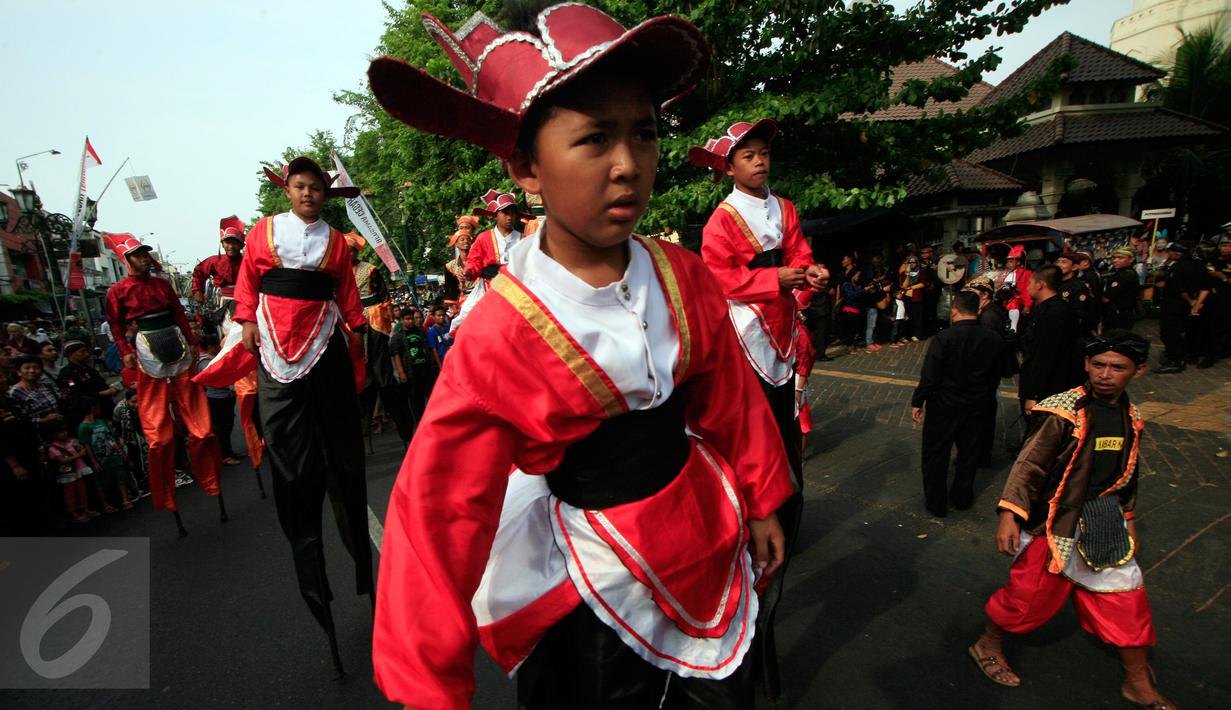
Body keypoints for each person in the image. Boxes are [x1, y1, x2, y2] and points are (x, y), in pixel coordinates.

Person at [366, 5, 792, 707]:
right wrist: (429, 686)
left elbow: (730, 401)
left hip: (704, 533)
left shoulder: (681, 275)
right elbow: (438, 511)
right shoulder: (498, 333)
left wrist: (761, 500)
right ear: (525, 167)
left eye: (644, 134)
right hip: (589, 583)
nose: (627, 166)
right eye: (593, 139)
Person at [197, 156, 371, 675]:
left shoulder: (337, 242)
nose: (308, 194)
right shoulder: (263, 232)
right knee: (292, 465)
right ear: (288, 190)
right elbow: (248, 280)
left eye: (317, 188)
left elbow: (346, 291)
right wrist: (246, 319)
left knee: (342, 456)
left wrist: (358, 326)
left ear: (325, 193)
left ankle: (360, 557)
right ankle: (309, 559)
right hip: (273, 342)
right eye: (300, 187)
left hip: (324, 336)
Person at [689, 115, 825, 699]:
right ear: (729, 167)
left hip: (783, 326)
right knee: (745, 429)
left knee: (786, 425)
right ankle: (742, 510)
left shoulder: (786, 208)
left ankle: (781, 505)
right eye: (749, 156)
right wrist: (782, 276)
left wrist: (810, 274)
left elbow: (801, 254)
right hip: (744, 330)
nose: (760, 161)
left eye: (765, 153)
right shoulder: (723, 218)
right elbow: (721, 278)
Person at [969, 331, 1178, 710]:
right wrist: (1008, 515)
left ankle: (1136, 681)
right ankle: (989, 641)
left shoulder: (1133, 417)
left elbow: (1126, 474)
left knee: (1126, 598)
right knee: (1029, 600)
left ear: (1139, 371)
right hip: (1054, 518)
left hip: (1103, 518)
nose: (1105, 374)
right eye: (1098, 365)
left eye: (1118, 367)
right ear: (1086, 364)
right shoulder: (1063, 409)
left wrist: (1127, 516)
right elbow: (1029, 465)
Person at [104, 233, 225, 532]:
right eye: (138, 254)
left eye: (146, 253)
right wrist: (126, 353)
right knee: (159, 436)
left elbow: (179, 315)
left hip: (175, 341)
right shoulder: (118, 291)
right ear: (128, 259)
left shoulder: (161, 284)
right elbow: (117, 327)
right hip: (147, 348)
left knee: (202, 429)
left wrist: (194, 340)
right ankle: (167, 495)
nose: (144, 258)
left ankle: (211, 480)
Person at [910, 291, 1004, 517]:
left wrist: (918, 400)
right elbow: (996, 375)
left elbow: (930, 374)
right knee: (969, 453)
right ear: (978, 310)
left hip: (944, 405)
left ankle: (936, 503)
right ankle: (962, 497)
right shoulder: (993, 339)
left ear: (954, 310)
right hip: (977, 404)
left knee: (936, 454)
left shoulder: (944, 338)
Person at [1018, 265, 1085, 420]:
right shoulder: (1046, 308)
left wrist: (1033, 394)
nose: (1027, 288)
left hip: (1050, 387)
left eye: (1029, 283)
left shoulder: (1054, 312)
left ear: (1040, 284)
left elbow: (1045, 354)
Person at [1153, 242, 1209, 374]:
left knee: (1170, 333)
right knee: (1180, 332)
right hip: (1187, 305)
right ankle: (1180, 357)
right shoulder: (1199, 264)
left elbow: (1179, 288)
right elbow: (1204, 287)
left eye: (1170, 252)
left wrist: (1190, 301)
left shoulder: (1180, 267)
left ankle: (1174, 361)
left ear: (1177, 253)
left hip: (1175, 305)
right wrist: (1196, 303)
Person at [191, 215, 248, 336]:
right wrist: (198, 291)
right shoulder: (214, 261)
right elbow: (199, 272)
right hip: (223, 304)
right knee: (228, 336)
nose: (231, 246)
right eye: (227, 242)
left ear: (242, 245)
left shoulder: (248, 261)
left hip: (246, 301)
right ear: (222, 243)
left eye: (235, 243)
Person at [77, 396, 134, 512]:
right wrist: (93, 462)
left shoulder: (101, 422)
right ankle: (105, 505)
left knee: (120, 476)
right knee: (102, 482)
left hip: (114, 453)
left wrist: (122, 453)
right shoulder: (83, 427)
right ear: (93, 408)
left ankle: (125, 499)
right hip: (100, 458)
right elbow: (86, 445)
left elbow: (112, 437)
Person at [196, 334, 241, 465]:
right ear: (210, 347)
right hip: (217, 398)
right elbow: (212, 379)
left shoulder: (212, 358)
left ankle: (229, 452)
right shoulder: (204, 361)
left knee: (227, 426)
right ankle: (225, 455)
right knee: (221, 428)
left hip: (225, 396)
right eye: (216, 346)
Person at [57, 340, 119, 432]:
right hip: (91, 416)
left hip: (106, 408)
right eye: (82, 352)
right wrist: (103, 393)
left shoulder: (88, 369)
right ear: (70, 354)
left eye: (87, 351)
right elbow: (76, 396)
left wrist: (111, 388)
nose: (86, 354)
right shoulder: (67, 374)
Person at [389, 307, 435, 429]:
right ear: (401, 320)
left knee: (431, 395)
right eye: (407, 319)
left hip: (425, 368)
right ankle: (421, 423)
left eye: (411, 319)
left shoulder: (420, 331)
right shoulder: (398, 336)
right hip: (411, 371)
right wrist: (401, 372)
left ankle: (433, 419)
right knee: (416, 399)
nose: (410, 321)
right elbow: (396, 354)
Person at [46, 424, 97, 524]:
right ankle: (74, 514)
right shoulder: (52, 447)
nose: (64, 433)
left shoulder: (72, 440)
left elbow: (82, 448)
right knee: (70, 494)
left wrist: (80, 450)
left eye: (64, 431)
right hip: (67, 473)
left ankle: (85, 509)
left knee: (82, 490)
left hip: (78, 469)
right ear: (54, 435)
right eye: (60, 432)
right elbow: (62, 460)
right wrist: (78, 455)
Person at [7, 355, 63, 435]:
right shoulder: (14, 392)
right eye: (27, 368)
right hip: (34, 434)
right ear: (19, 372)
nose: (32, 371)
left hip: (58, 432)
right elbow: (18, 419)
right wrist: (44, 420)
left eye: (36, 368)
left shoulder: (47, 386)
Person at [1199, 231, 1231, 367]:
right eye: (1223, 245)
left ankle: (1211, 357)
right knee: (1206, 325)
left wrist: (1222, 277)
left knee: (1218, 328)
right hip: (1210, 296)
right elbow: (1208, 271)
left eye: (1229, 246)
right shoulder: (1213, 258)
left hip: (1226, 299)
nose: (1225, 248)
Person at [1055, 251, 1099, 336]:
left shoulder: (1079, 287)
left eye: (1063, 262)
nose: (1059, 265)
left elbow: (1079, 314)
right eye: (1058, 262)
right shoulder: (1055, 283)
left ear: (1074, 267)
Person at [994, 245, 1033, 332]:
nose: (1008, 263)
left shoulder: (1026, 273)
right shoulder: (1003, 273)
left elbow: (1027, 290)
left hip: (1017, 297)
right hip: (1002, 297)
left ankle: (1013, 329)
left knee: (1013, 304)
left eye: (1011, 261)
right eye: (1008, 262)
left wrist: (1027, 305)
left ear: (1018, 262)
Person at [1102, 247, 1140, 332]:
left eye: (1120, 258)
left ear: (1131, 259)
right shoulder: (1122, 273)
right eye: (1114, 258)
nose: (1115, 260)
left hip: (1119, 315)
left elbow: (1107, 298)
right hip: (1119, 314)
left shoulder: (1126, 275)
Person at [901, 255, 928, 341]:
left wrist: (912, 287)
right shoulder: (903, 273)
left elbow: (923, 283)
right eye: (910, 262)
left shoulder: (921, 271)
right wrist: (908, 275)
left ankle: (917, 335)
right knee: (909, 316)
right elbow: (904, 285)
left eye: (913, 262)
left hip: (916, 297)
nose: (911, 264)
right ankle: (908, 335)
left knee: (917, 316)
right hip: (907, 297)